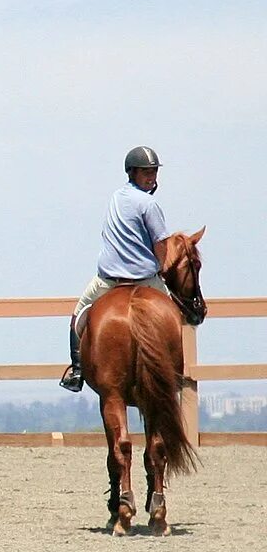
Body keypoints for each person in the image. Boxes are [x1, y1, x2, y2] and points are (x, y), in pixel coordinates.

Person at [60, 146, 172, 392]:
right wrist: (162, 268)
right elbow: (161, 242)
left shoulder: (116, 198)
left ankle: (77, 371)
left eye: (153, 171)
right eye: (146, 172)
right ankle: (176, 369)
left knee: (77, 318)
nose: (151, 176)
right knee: (174, 316)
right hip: (145, 281)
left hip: (108, 280)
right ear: (132, 172)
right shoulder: (150, 204)